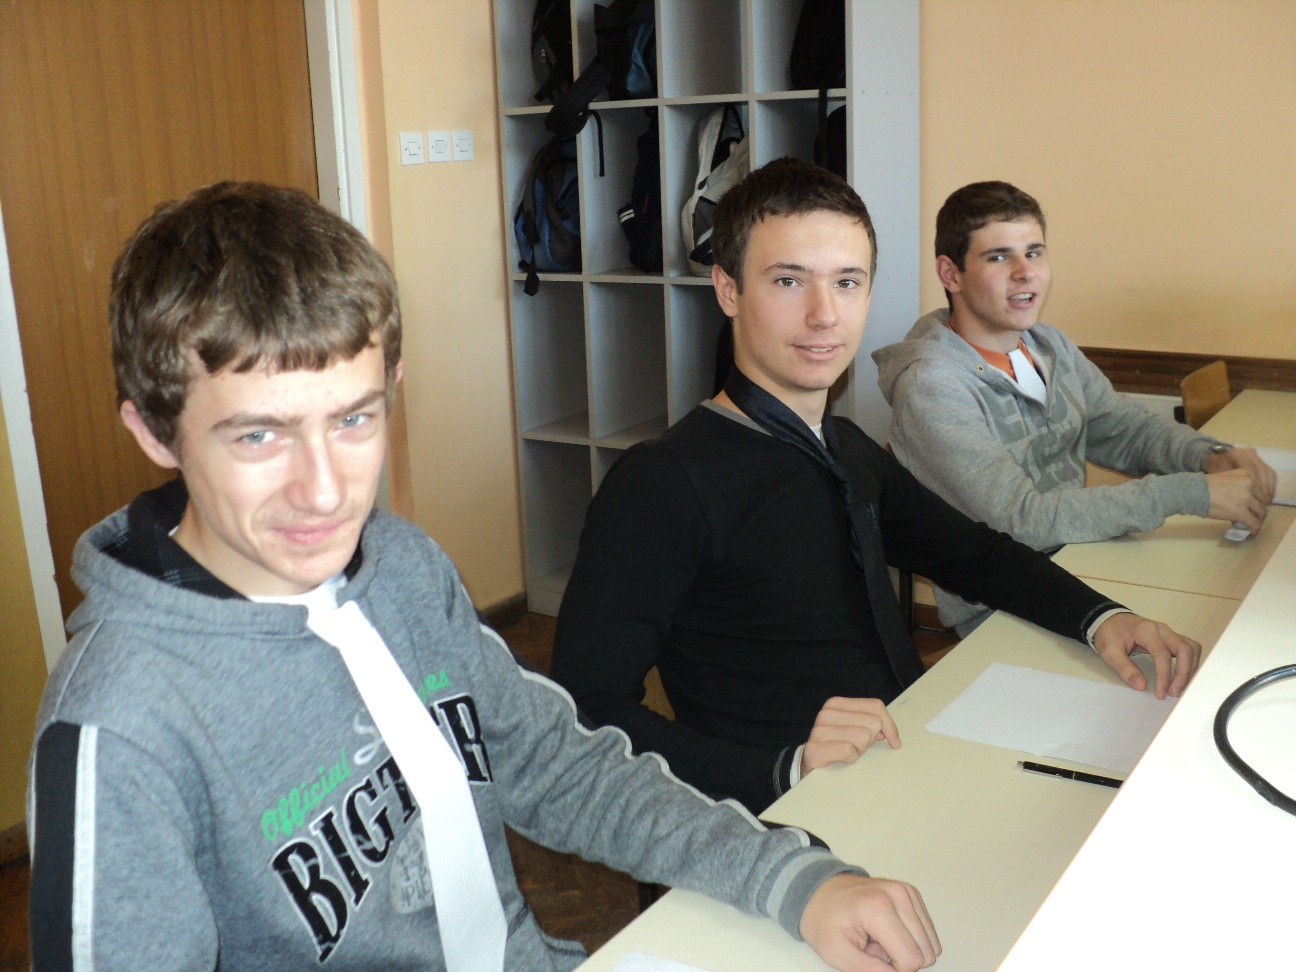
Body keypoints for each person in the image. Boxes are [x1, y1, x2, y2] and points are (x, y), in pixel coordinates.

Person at [26, 182, 944, 972]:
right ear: (154, 431)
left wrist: (788, 877)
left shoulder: (398, 567)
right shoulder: (120, 724)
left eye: (353, 420)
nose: (325, 491)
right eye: (259, 434)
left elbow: (557, 764)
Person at [551, 159, 1203, 816]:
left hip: (903, 757)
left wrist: (1103, 619)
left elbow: (974, 554)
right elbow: (584, 712)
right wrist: (785, 768)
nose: (824, 315)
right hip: (785, 816)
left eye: (847, 282)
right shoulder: (663, 483)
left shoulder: (844, 446)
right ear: (728, 290)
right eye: (788, 281)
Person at [873, 181, 1277, 634]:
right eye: (999, 257)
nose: (1025, 272)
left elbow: (1121, 428)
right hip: (1001, 603)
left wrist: (1208, 456)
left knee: (1225, 618)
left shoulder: (1047, 344)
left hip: (1079, 560)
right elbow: (1020, 520)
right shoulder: (931, 384)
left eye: (1034, 252)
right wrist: (1191, 493)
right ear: (951, 275)